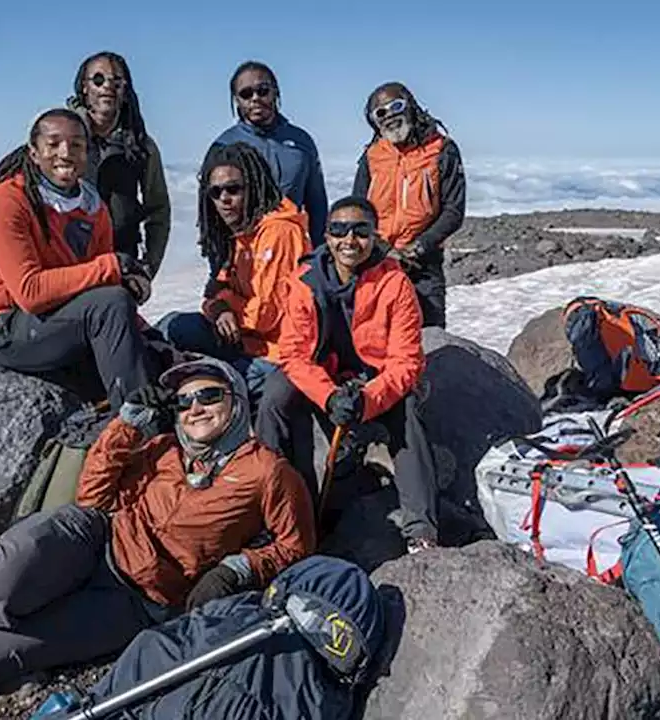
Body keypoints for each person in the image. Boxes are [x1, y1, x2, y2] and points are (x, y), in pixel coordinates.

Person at [0, 357, 317, 720]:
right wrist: (126, 425)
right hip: (92, 544)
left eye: (209, 395)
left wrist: (237, 569)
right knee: (31, 540)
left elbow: (296, 545)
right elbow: (93, 493)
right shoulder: (162, 448)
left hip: (138, 602)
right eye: (185, 401)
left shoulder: (267, 472)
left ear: (235, 401)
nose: (195, 407)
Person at [255, 196, 440, 554]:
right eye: (339, 230)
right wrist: (328, 396)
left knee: (406, 416)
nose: (349, 240)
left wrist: (367, 401)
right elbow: (293, 354)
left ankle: (421, 530)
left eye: (360, 231)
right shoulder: (304, 280)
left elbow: (406, 362)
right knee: (274, 396)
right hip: (322, 376)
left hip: (374, 379)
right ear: (326, 235)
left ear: (374, 236)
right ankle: (268, 510)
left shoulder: (395, 283)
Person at [0, 108, 156, 409]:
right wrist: (112, 266)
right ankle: (138, 425)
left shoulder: (92, 206)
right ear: (34, 152)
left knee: (150, 350)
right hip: (6, 327)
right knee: (110, 304)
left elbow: (103, 287)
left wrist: (146, 332)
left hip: (60, 321)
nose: (66, 153)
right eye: (53, 144)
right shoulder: (7, 201)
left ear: (87, 153)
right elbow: (30, 292)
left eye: (77, 145)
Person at [157, 143, 310, 403]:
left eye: (233, 189)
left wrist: (225, 305)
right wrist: (219, 308)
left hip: (274, 353)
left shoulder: (280, 233)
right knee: (169, 327)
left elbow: (265, 317)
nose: (224, 199)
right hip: (242, 337)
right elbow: (214, 291)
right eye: (215, 192)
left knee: (200, 392)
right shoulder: (241, 232)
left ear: (253, 186)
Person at [352, 82, 465, 329]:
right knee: (376, 341)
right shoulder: (371, 157)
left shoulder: (441, 150)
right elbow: (357, 211)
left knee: (430, 340)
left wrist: (419, 247)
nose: (390, 115)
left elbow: (454, 210)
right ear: (374, 122)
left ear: (411, 106)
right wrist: (383, 249)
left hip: (424, 266)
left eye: (396, 105)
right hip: (376, 262)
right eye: (380, 112)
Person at [68, 51, 172, 277]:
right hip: (68, 265)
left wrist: (147, 268)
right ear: (84, 88)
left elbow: (158, 209)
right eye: (98, 79)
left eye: (117, 81)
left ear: (125, 90)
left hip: (120, 265)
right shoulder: (63, 138)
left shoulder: (140, 145)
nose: (107, 86)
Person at [207, 60, 328, 247]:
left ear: (275, 92)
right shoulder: (223, 147)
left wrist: (320, 257)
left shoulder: (301, 142)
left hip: (291, 250)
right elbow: (211, 213)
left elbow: (317, 205)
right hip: (244, 256)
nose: (255, 98)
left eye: (262, 90)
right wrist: (219, 264)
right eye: (246, 94)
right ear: (236, 100)